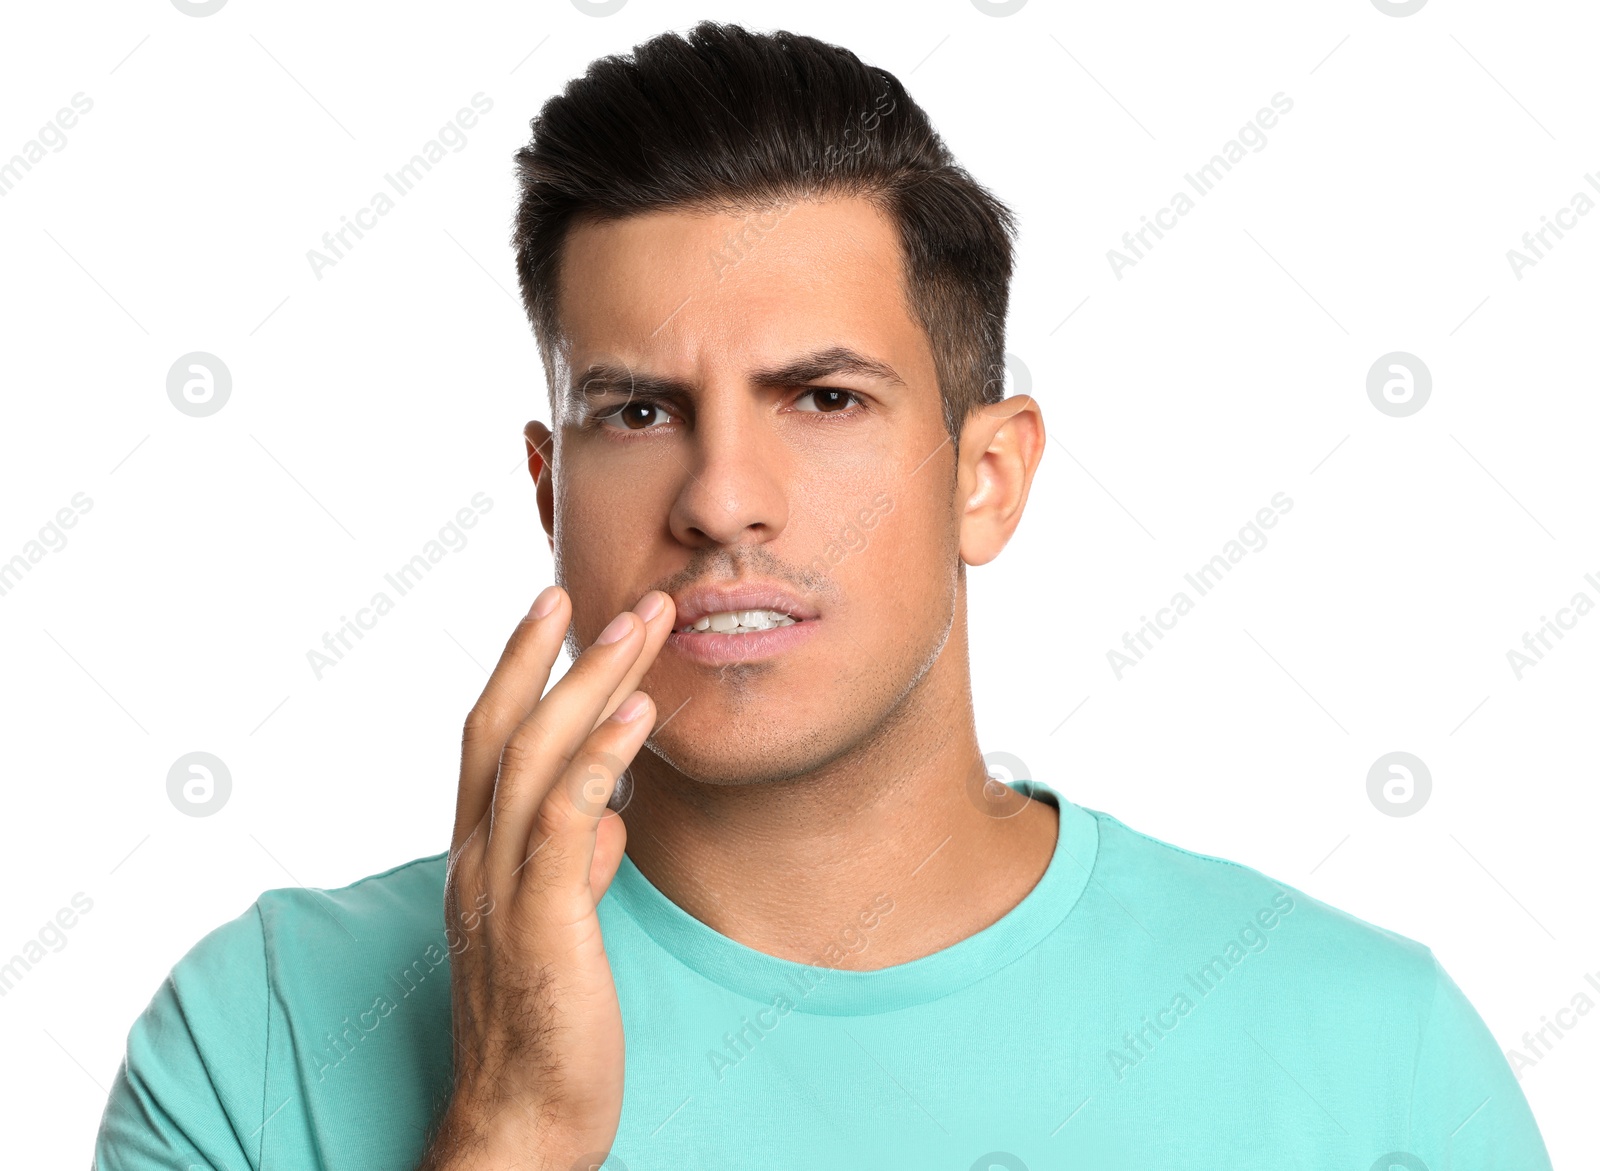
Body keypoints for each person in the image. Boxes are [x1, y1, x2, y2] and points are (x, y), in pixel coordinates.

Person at [94, 22, 1550, 1171]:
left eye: (824, 397)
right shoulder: (265, 1033)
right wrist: (512, 1140)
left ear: (986, 476)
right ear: (548, 492)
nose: (724, 496)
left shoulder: (1373, 1056)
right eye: (640, 414)